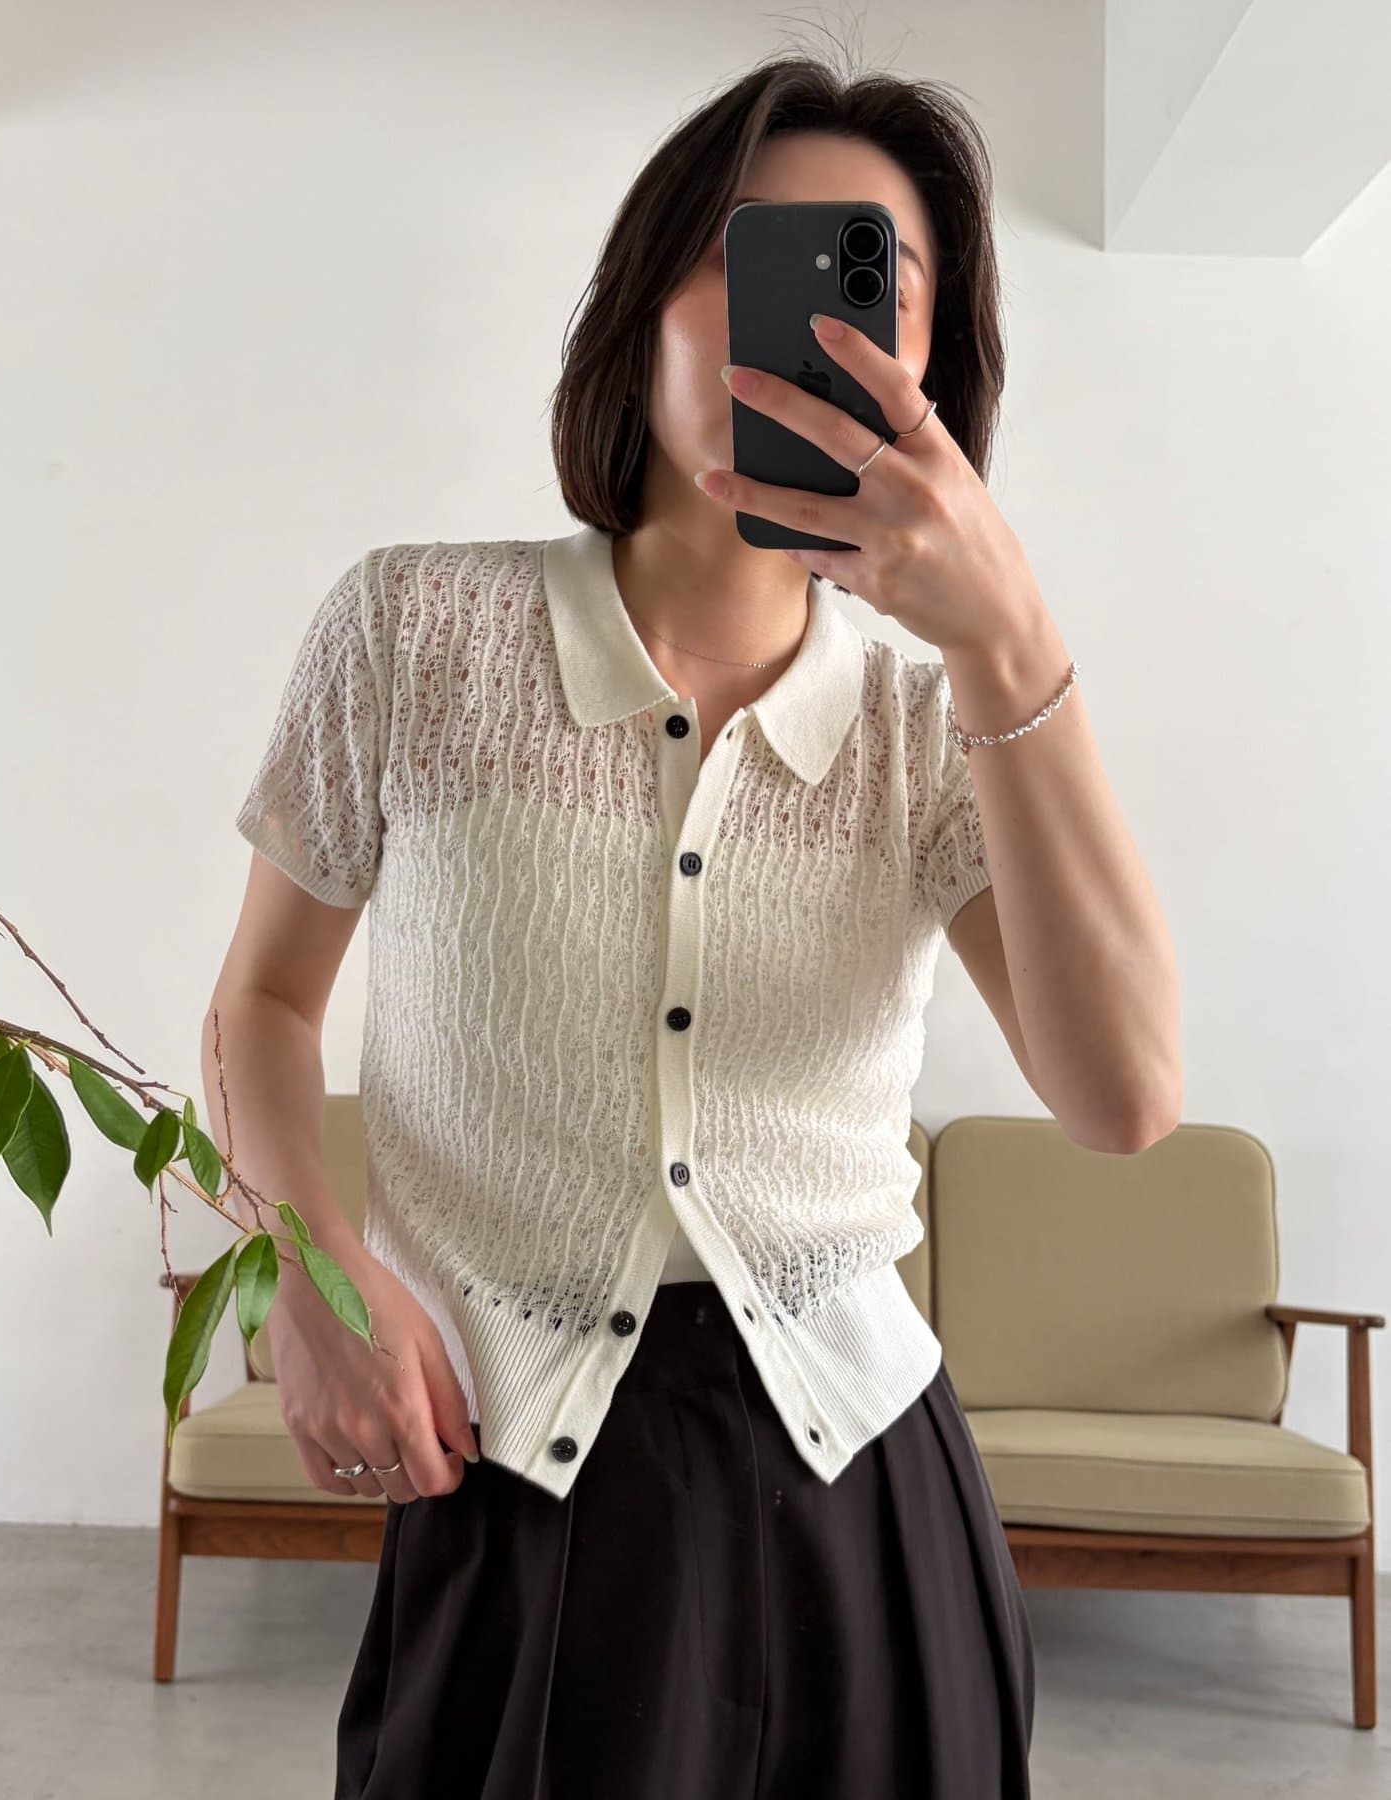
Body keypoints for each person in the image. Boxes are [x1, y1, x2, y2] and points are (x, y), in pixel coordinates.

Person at [210, 47, 1180, 1800]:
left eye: (868, 288)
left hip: (870, 1497)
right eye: (752, 259)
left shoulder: (932, 726)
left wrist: (1009, 640)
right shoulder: (411, 632)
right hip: (517, 1477)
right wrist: (314, 1269)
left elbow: (1123, 1099)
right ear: (640, 302)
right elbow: (261, 1009)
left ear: (930, 373)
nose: (800, 331)